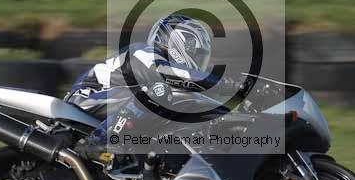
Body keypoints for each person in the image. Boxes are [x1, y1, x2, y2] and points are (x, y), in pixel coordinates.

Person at [64, 14, 249, 159]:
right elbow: (169, 74)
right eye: (197, 53)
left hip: (114, 108)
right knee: (160, 91)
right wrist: (227, 85)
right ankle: (99, 141)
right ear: (179, 42)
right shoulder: (143, 52)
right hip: (87, 100)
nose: (199, 60)